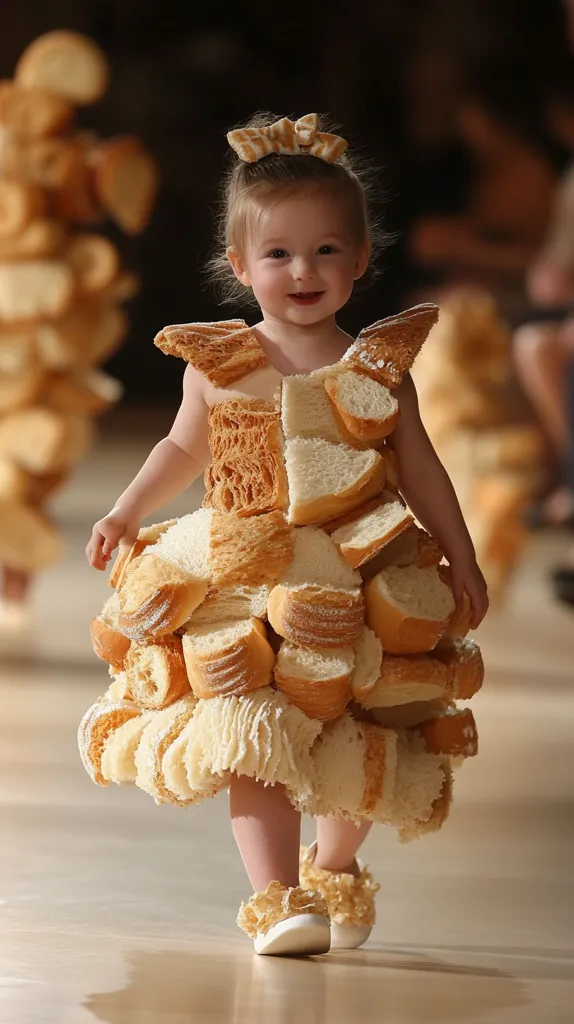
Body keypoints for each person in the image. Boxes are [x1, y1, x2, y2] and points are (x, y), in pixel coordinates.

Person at [85, 112, 488, 956]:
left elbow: (422, 472)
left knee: (362, 736)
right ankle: (278, 897)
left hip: (361, 574)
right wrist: (125, 510)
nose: (303, 271)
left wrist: (461, 553)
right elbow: (179, 446)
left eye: (327, 251)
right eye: (278, 254)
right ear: (239, 266)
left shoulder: (378, 374)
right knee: (250, 733)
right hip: (247, 573)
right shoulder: (221, 363)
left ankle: (335, 865)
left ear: (361, 259)